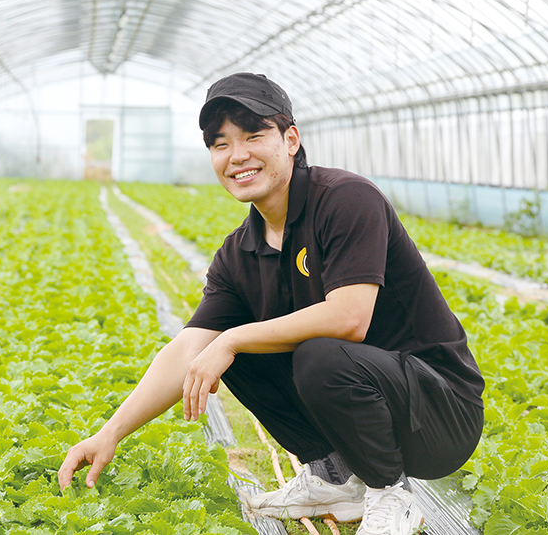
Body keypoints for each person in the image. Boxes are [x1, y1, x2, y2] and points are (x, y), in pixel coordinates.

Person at [58, 72, 485, 535]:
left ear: (291, 140)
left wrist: (235, 338)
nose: (237, 156)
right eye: (220, 144)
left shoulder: (345, 199)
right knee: (219, 349)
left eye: (253, 135)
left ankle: (391, 493)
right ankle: (333, 476)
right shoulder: (238, 252)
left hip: (440, 412)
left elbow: (349, 318)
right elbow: (187, 350)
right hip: (370, 401)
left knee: (310, 354)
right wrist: (109, 434)